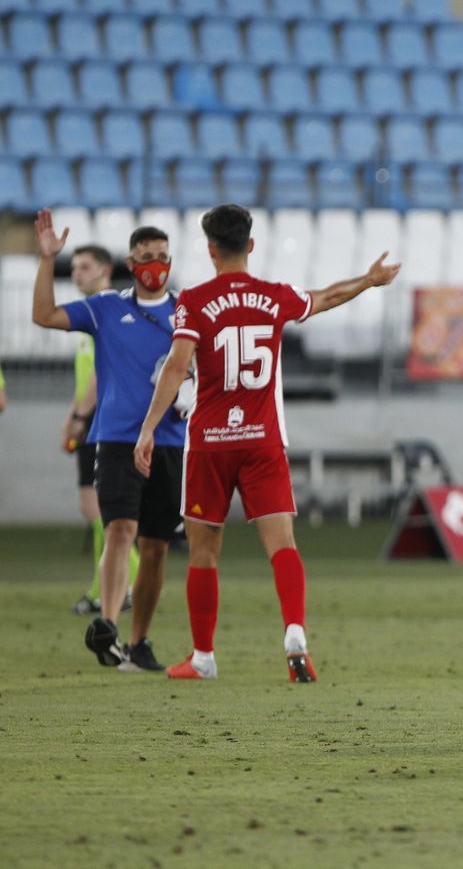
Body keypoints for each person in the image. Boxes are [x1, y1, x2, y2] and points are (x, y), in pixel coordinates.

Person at [132, 204, 399, 682]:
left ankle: (204, 658)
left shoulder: (192, 301)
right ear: (250, 246)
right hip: (262, 440)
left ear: (210, 249)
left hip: (211, 441)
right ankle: (295, 631)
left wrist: (149, 428)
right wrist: (369, 280)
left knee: (203, 553)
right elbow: (325, 297)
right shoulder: (274, 297)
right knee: (283, 546)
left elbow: (176, 366)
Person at [32, 211, 185, 673]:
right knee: (120, 529)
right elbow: (43, 315)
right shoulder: (104, 308)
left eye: (161, 257)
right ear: (130, 262)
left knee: (157, 546)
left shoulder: (188, 313)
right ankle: (108, 627)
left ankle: (139, 642)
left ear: (170, 260)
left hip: (173, 442)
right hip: (117, 439)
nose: (154, 265)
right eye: (146, 258)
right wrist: (46, 262)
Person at [62, 244, 138, 617]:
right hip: (91, 418)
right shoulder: (92, 314)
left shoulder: (106, 311)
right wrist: (71, 415)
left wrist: (79, 417)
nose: (77, 273)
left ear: (105, 269)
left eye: (85, 266)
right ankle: (115, 586)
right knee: (96, 511)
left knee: (101, 513)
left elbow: (98, 374)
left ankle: (115, 587)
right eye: (74, 267)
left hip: (101, 421)